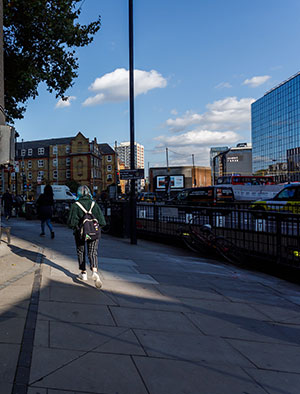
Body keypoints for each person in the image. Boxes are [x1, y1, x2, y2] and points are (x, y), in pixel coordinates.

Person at [68, 185, 106, 288]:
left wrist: (77, 227)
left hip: (80, 233)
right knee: (92, 251)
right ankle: (94, 271)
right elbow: (102, 221)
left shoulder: (75, 205)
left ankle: (83, 273)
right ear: (89, 193)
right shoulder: (94, 204)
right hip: (93, 233)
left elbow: (71, 223)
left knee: (81, 251)